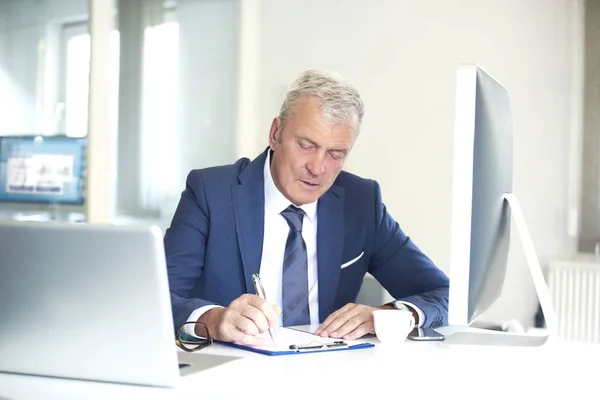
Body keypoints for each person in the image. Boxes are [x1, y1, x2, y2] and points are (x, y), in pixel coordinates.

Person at [165, 69, 449, 345]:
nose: (318, 168)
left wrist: (391, 315)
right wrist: (214, 320)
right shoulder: (210, 193)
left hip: (327, 373)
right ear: (275, 133)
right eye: (306, 145)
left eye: (336, 154)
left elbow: (445, 293)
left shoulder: (361, 201)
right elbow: (157, 297)